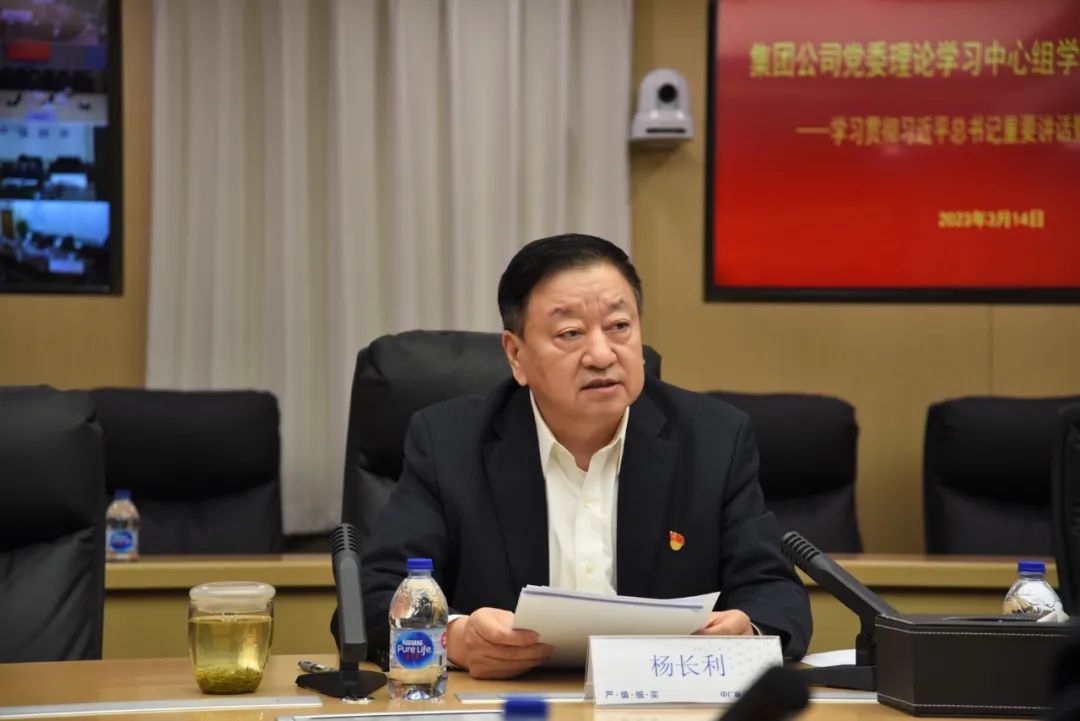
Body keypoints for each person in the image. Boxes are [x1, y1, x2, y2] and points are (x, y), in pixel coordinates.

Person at [356, 233, 812, 678]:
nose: (601, 354)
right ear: (516, 355)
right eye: (570, 333)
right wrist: (454, 639)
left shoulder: (713, 438)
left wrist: (747, 632)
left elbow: (774, 594)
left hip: (660, 702)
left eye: (619, 327)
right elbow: (373, 598)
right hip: (510, 704)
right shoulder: (449, 442)